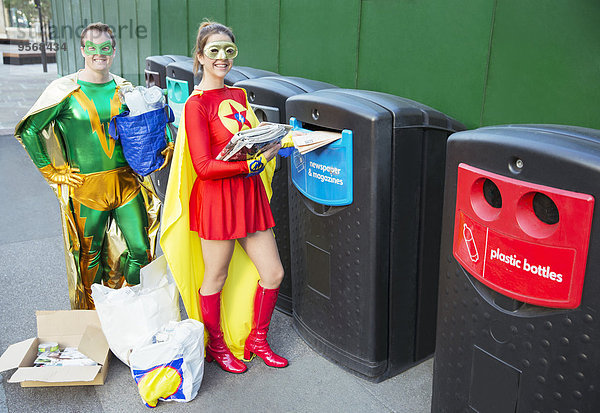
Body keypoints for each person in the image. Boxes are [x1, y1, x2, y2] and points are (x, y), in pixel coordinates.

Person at [161, 21, 294, 373]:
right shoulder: (195, 104)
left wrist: (276, 143)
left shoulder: (238, 96)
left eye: (229, 51)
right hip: (218, 200)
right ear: (201, 56)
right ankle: (215, 345)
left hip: (248, 196)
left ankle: (258, 339)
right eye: (214, 51)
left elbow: (250, 144)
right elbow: (203, 166)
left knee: (274, 272)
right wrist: (247, 166)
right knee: (215, 278)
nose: (222, 58)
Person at [14, 22, 173, 309]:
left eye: (105, 48)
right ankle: (93, 317)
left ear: (114, 50)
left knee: (141, 250)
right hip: (86, 190)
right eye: (92, 48)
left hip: (126, 184)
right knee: (90, 257)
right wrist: (52, 171)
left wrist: (162, 145)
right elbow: (29, 130)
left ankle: (132, 310)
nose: (99, 54)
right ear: (82, 50)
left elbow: (147, 125)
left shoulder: (125, 89)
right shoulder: (63, 91)